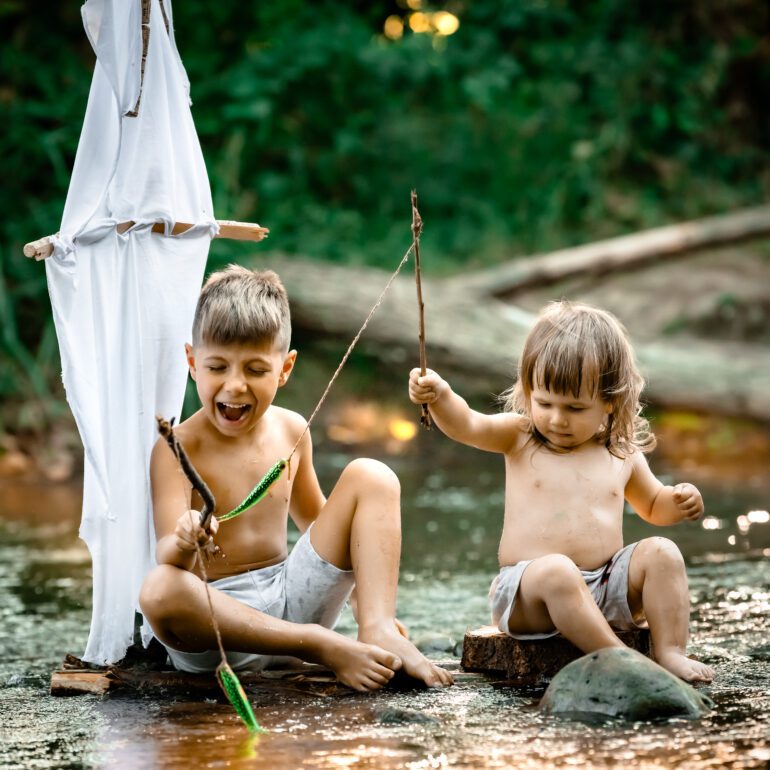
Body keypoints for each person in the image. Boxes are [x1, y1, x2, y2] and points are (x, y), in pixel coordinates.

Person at [140, 265, 453, 691]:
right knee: (160, 589)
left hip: (292, 598)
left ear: (285, 368)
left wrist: (362, 601)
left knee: (373, 475)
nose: (235, 385)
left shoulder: (292, 429)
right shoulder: (176, 448)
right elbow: (168, 556)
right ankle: (322, 646)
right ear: (193, 363)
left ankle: (376, 628)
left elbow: (319, 524)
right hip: (220, 628)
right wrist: (184, 538)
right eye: (217, 367)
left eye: (255, 370)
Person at [408, 300, 714, 683]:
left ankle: (670, 651)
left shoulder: (621, 453)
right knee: (558, 570)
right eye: (544, 403)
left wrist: (679, 501)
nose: (556, 419)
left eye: (574, 408)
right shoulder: (519, 437)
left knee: (663, 553)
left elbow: (653, 505)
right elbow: (468, 424)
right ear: (529, 392)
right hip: (529, 594)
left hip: (604, 586)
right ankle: (618, 658)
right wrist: (440, 396)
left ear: (610, 401)